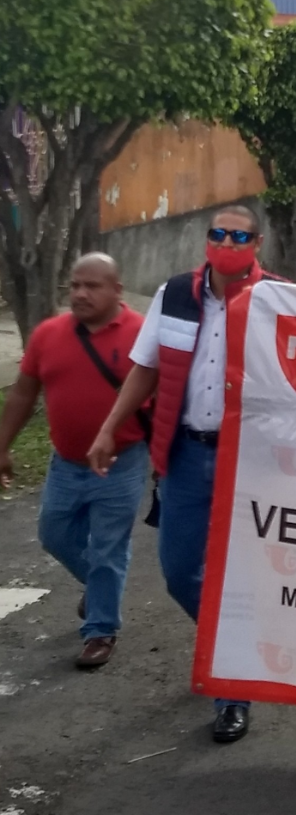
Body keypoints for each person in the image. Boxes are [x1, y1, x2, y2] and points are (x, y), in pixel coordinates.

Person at [88, 205, 282, 744]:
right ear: (206, 239)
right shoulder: (175, 294)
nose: (226, 241)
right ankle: (237, 646)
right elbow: (146, 367)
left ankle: (233, 691)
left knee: (239, 574)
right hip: (186, 456)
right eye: (218, 233)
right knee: (179, 573)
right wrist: (110, 428)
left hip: (252, 461)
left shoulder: (278, 299)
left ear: (257, 242)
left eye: (238, 235)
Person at [0, 255, 148, 669]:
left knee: (107, 549)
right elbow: (23, 393)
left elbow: (167, 396)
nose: (80, 294)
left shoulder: (142, 334)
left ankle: (100, 630)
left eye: (92, 286)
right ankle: (102, 588)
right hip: (65, 464)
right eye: (75, 285)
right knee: (53, 534)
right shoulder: (49, 334)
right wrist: (3, 446)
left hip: (123, 462)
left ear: (117, 289)